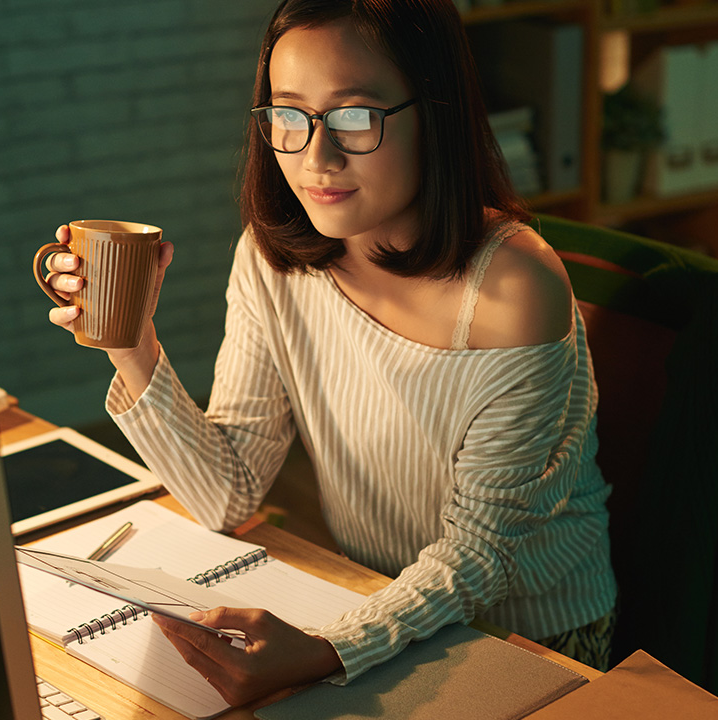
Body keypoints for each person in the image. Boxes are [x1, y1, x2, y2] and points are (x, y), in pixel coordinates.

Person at [40, 0, 616, 706]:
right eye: (289, 115)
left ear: (434, 112)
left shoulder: (514, 287)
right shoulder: (273, 257)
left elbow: (481, 559)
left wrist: (327, 649)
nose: (316, 159)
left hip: (527, 634)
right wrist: (132, 346)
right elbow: (227, 493)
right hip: (367, 600)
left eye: (352, 117)